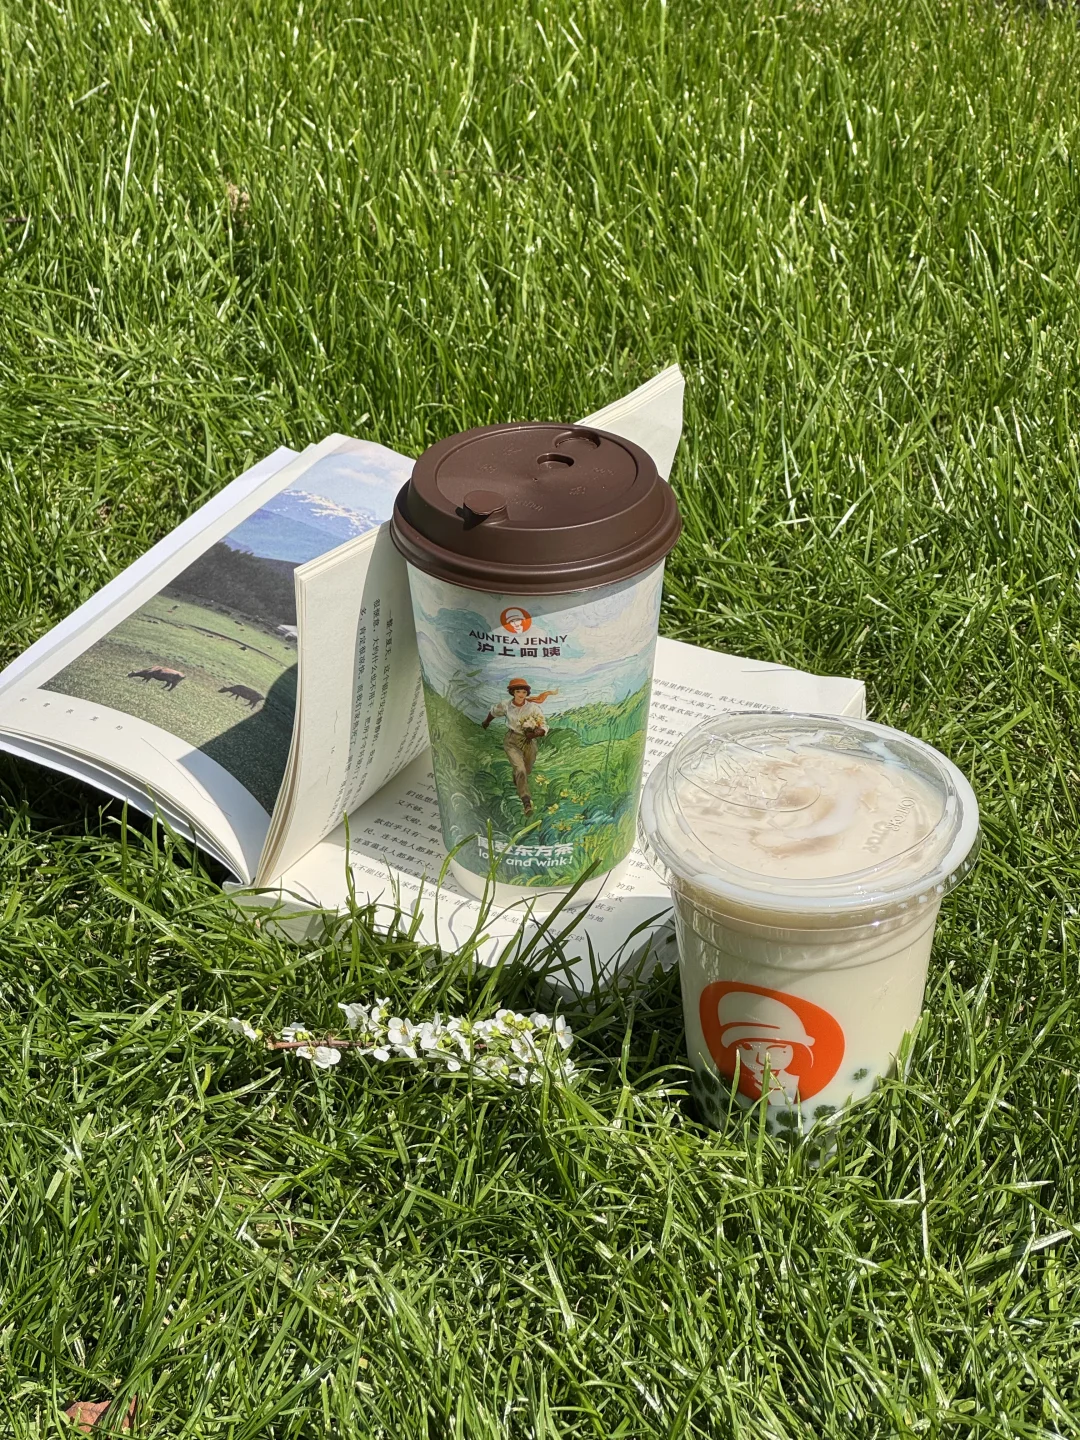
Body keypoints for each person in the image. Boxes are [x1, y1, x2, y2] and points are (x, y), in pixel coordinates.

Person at [715, 991, 815, 1104]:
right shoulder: (739, 1082)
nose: (760, 1060)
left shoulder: (795, 1083)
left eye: (775, 1049)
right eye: (748, 1047)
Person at [482, 678, 558, 815]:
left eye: (524, 692)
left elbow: (543, 724)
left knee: (527, 769)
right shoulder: (506, 705)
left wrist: (537, 733)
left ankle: (517, 777)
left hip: (529, 741)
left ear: (527, 693)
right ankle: (526, 801)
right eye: (518, 691)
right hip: (512, 740)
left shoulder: (532, 707)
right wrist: (486, 722)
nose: (521, 694)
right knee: (520, 769)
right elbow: (493, 712)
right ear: (513, 692)